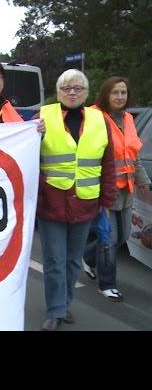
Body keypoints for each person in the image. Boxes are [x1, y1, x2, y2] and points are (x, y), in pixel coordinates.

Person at [34, 69, 116, 331]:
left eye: (78, 88)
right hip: (52, 202)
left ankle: (65, 302)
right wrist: (33, 133)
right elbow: (25, 156)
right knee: (55, 260)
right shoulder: (43, 118)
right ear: (58, 92)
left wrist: (107, 199)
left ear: (86, 92)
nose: (72, 92)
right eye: (67, 88)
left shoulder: (99, 120)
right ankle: (55, 310)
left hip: (85, 202)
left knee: (72, 261)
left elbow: (109, 162)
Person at [82, 77, 150, 301]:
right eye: (115, 93)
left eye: (123, 92)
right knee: (108, 239)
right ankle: (107, 284)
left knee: (123, 237)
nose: (120, 97)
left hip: (126, 190)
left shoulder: (129, 118)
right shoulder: (94, 117)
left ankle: (87, 257)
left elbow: (134, 157)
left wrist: (145, 183)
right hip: (105, 191)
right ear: (105, 95)